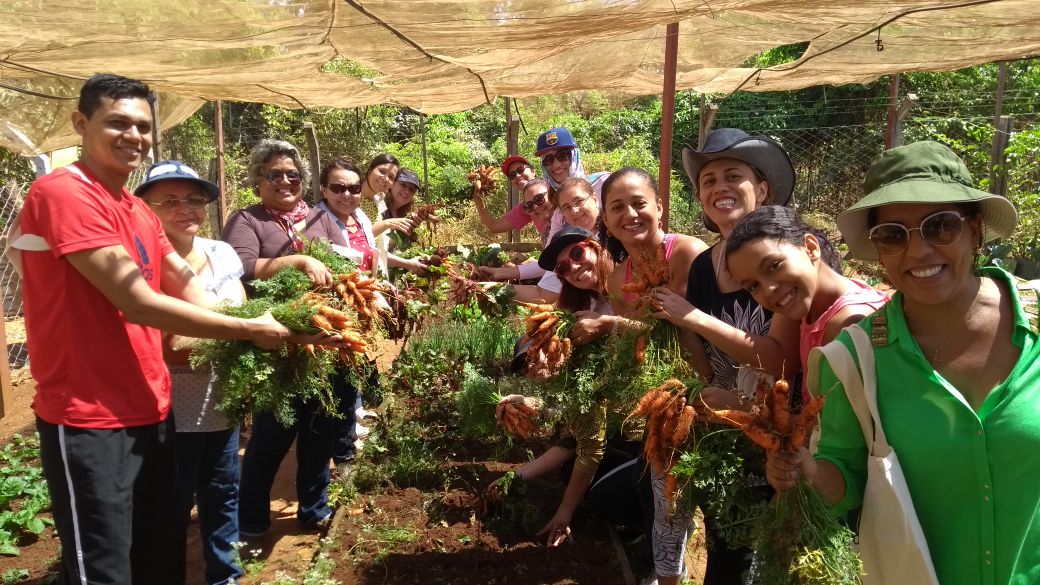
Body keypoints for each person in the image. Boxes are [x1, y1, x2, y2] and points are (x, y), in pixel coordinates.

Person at [10, 73, 302, 585]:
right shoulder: (66, 192)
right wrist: (247, 329)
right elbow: (138, 302)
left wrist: (292, 323)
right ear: (82, 123)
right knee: (103, 568)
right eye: (117, 122)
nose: (133, 136)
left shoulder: (137, 210)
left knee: (159, 556)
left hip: (152, 407)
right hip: (88, 417)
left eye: (143, 126)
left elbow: (187, 286)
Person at [767, 141, 1039, 585]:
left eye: (941, 226)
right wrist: (807, 470)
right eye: (894, 235)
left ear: (975, 231)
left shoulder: (1035, 322)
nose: (918, 252)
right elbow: (845, 482)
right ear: (879, 250)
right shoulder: (854, 360)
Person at [649, 128, 800, 584]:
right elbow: (694, 343)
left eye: (732, 175)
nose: (719, 188)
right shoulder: (703, 265)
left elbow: (780, 361)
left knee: (759, 552)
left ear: (763, 188)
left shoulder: (789, 254)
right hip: (726, 422)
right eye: (708, 181)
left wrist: (693, 317)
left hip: (784, 426)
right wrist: (704, 392)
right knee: (726, 538)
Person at [491, 228, 651, 551]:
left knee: (601, 494)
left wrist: (564, 513)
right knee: (570, 470)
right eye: (562, 268)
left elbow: (661, 334)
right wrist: (513, 477)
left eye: (576, 254)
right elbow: (569, 441)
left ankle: (651, 525)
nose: (573, 268)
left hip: (650, 422)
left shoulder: (630, 281)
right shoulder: (579, 315)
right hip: (622, 423)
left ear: (594, 246)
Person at [222, 139, 348, 538]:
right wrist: (296, 260)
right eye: (274, 174)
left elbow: (338, 261)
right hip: (274, 338)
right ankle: (252, 520)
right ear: (259, 178)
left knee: (319, 431)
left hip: (322, 337)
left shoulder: (316, 217)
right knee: (271, 436)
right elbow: (241, 267)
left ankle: (314, 509)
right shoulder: (247, 220)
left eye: (293, 175)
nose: (285, 181)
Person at [588, 168, 706, 585]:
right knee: (667, 498)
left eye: (639, 203)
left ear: (659, 206)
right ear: (604, 218)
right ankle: (669, 575)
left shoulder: (688, 253)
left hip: (718, 391)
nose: (630, 214)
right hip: (669, 402)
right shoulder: (620, 278)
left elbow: (698, 327)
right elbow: (644, 339)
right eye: (617, 207)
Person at [134, 160, 246, 585]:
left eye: (195, 200)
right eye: (170, 201)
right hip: (166, 412)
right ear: (145, 208)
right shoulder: (136, 264)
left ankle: (226, 577)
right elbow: (166, 343)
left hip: (222, 400)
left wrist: (197, 335)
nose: (187, 209)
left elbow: (237, 315)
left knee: (222, 494)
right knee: (171, 507)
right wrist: (231, 334)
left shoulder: (221, 253)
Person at [315, 157, 426, 475]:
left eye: (351, 189)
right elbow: (329, 258)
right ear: (324, 189)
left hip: (359, 303)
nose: (347, 194)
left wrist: (402, 270)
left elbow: (371, 253)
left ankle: (347, 447)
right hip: (337, 307)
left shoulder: (359, 215)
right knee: (339, 382)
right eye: (338, 188)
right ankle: (342, 456)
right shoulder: (318, 219)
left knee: (350, 377)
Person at [724, 206, 888, 387]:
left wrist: (742, 411)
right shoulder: (814, 306)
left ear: (810, 247)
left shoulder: (847, 324)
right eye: (753, 286)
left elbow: (835, 415)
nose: (769, 289)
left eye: (774, 266)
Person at [481, 178, 599, 300]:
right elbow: (548, 271)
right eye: (529, 205)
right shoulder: (558, 227)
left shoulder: (609, 232)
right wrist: (498, 275)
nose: (574, 211)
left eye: (539, 198)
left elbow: (545, 293)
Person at [472, 155, 541, 234]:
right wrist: (477, 197)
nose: (517, 176)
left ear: (533, 172)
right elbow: (494, 227)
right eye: (512, 175)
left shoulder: (551, 189)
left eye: (521, 169)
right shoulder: (526, 207)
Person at [383, 168, 422, 251]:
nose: (407, 191)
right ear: (392, 184)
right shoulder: (379, 207)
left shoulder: (405, 214)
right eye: (403, 185)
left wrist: (412, 227)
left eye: (411, 189)